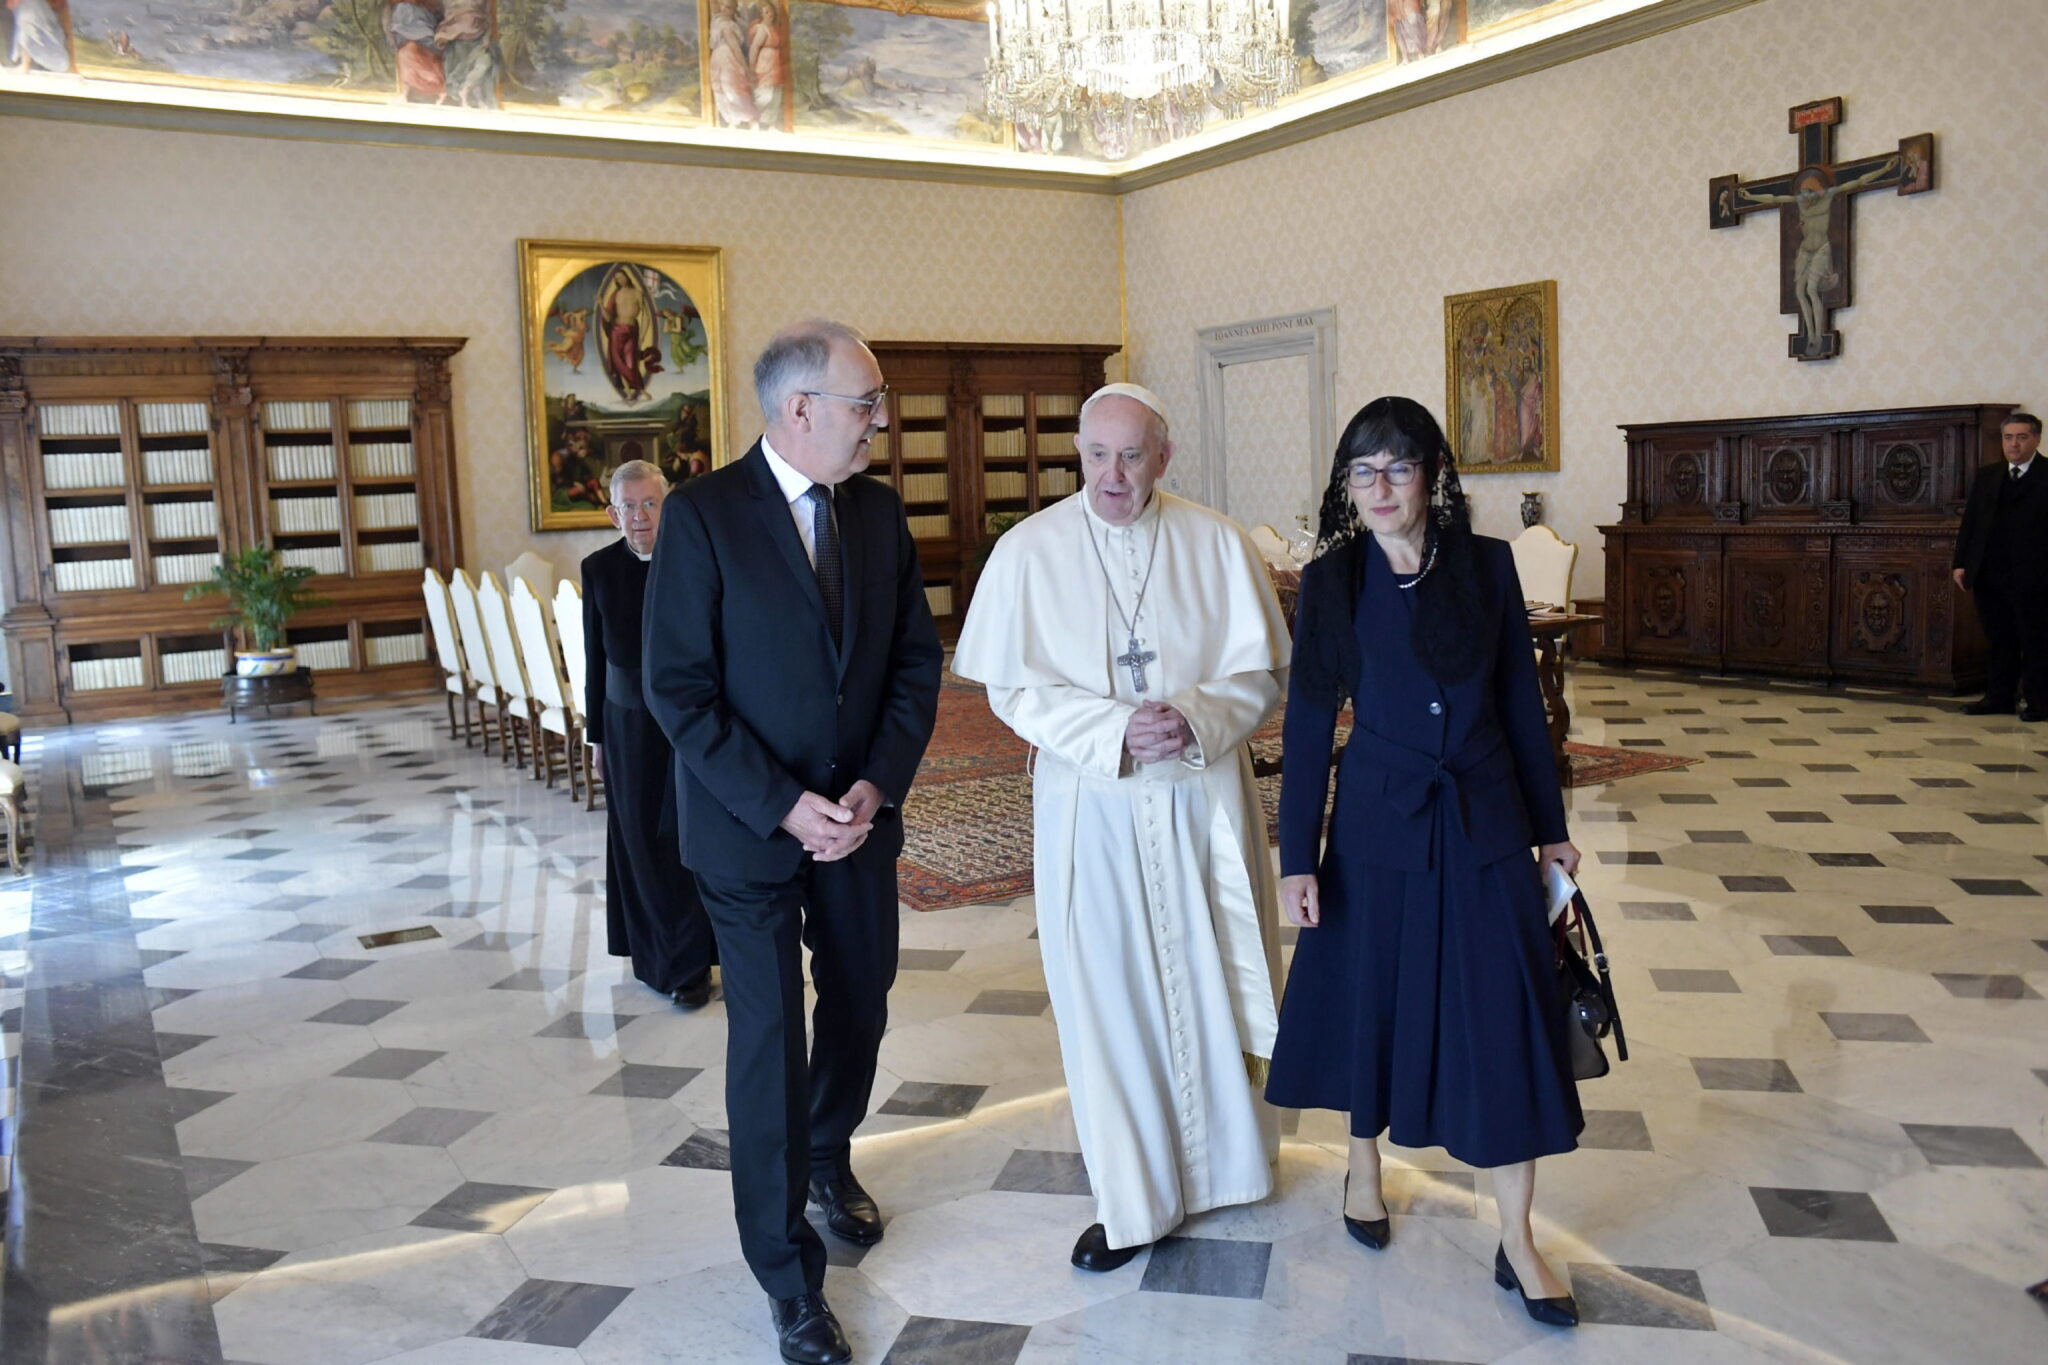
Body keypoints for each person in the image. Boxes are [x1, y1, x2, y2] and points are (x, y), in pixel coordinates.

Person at [642, 319, 941, 1365]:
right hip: (746, 834)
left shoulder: (877, 514)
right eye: (866, 402)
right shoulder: (703, 516)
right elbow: (675, 688)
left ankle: (826, 1152)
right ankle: (786, 1278)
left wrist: (871, 785)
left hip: (856, 821)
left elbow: (913, 665)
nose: (880, 421)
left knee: (860, 997)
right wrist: (779, 804)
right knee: (770, 1042)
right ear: (798, 408)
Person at [952, 383, 1292, 1272]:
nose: (1112, 474)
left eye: (1131, 455)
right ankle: (1135, 1197)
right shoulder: (1030, 552)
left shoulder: (1217, 543)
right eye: (1096, 454)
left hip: (1197, 800)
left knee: (1215, 970)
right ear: (1078, 452)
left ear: (1163, 457)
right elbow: (1012, 689)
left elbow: (1260, 679)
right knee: (1110, 997)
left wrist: (1194, 715)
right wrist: (1111, 730)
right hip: (1092, 810)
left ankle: (1232, 1167)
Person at [1267, 396, 1586, 1328]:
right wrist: (1299, 856)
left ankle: (1519, 1237)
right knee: (1375, 999)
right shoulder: (1332, 582)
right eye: (1361, 472)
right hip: (1375, 826)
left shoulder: (1485, 570)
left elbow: (1523, 711)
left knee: (1507, 1018)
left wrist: (1550, 827)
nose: (1379, 488)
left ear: (1431, 476)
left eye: (1396, 468)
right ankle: (1363, 1163)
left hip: (1483, 820)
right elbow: (1309, 721)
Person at [581, 460, 717, 1009]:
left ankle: (696, 962)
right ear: (614, 513)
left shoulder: (696, 561)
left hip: (693, 722)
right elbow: (594, 659)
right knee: (640, 841)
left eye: (650, 503)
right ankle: (660, 961)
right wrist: (595, 740)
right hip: (628, 725)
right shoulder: (598, 569)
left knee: (689, 838)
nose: (640, 517)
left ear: (670, 505)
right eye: (629, 506)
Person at [1954, 413, 2048, 721]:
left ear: (2036, 439)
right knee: (1998, 638)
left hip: (2034, 574)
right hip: (1990, 572)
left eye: (2021, 437)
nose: (2014, 444)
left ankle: (2039, 702)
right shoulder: (1988, 475)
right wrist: (1961, 563)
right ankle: (1999, 698)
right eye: (2008, 437)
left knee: (2034, 640)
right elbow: (1971, 524)